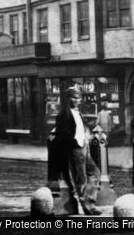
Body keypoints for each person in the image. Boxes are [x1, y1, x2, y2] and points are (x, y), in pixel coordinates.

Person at [55, 87, 102, 215]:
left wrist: (86, 137)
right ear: (67, 98)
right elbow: (62, 135)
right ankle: (88, 207)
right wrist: (74, 143)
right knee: (80, 178)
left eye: (79, 98)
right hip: (75, 149)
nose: (77, 100)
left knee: (95, 173)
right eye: (74, 97)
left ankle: (88, 200)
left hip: (84, 147)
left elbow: (80, 128)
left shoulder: (78, 112)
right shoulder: (63, 115)